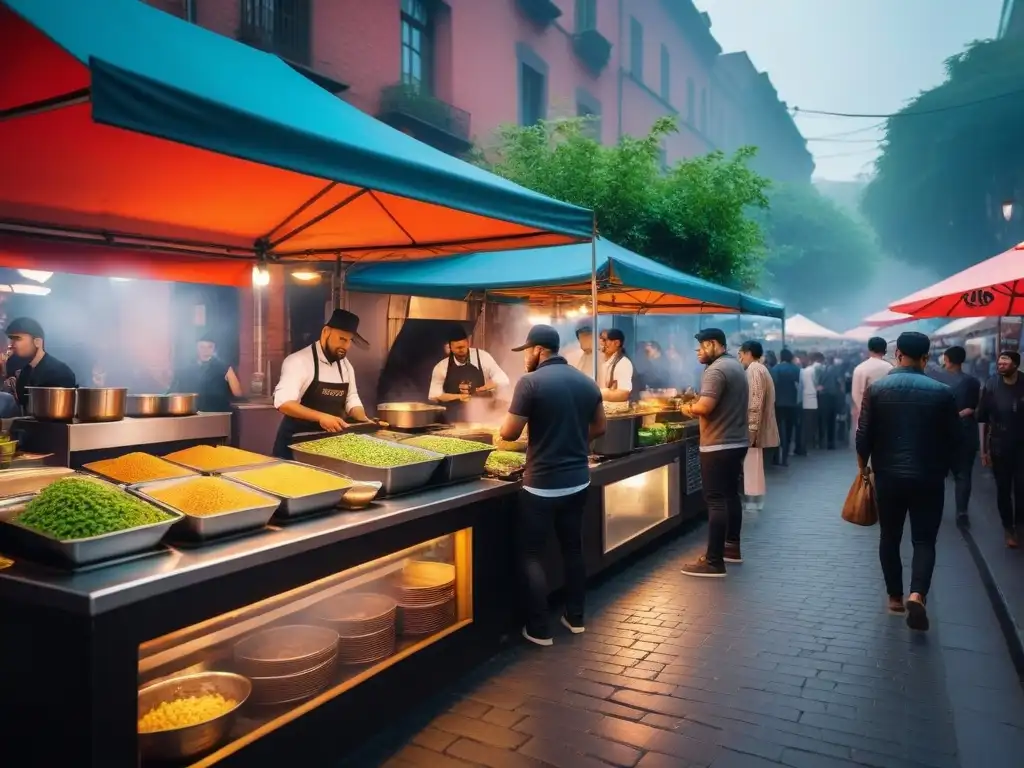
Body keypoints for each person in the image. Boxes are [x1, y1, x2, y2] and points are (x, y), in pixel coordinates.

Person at [499, 324, 605, 646]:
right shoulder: (587, 382)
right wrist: (573, 440)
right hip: (577, 483)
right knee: (573, 549)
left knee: (531, 554)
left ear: (537, 350)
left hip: (542, 486)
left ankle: (539, 628)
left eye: (526, 352)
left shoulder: (530, 383)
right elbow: (600, 426)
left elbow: (508, 433)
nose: (525, 358)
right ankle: (575, 618)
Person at [856, 332, 958, 631]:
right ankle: (918, 593)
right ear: (926, 358)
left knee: (889, 535)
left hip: (888, 476)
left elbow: (863, 436)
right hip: (928, 477)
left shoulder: (877, 389)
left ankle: (895, 598)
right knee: (924, 540)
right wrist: (945, 469)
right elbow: (955, 439)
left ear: (897, 353)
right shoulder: (943, 391)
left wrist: (864, 468)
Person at [679, 328, 749, 577]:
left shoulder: (716, 370)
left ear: (712, 344)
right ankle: (731, 548)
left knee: (716, 499)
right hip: (737, 441)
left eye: (700, 347)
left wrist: (687, 407)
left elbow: (705, 407)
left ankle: (713, 561)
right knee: (730, 496)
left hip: (718, 444)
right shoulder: (735, 365)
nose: (698, 352)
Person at [271, 309, 376, 458]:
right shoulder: (299, 361)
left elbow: (351, 397)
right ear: (326, 332)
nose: (345, 346)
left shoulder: (345, 366)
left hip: (328, 447)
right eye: (341, 339)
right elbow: (284, 403)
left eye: (349, 341)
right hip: (295, 446)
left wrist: (362, 418)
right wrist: (321, 417)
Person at [978, 350, 1024, 548]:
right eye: (999, 363)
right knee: (1003, 490)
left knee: (1022, 489)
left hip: (1022, 446)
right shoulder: (991, 385)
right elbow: (982, 419)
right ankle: (1008, 527)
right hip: (999, 445)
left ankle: (1020, 526)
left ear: (1015, 364)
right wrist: (983, 450)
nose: (1001, 365)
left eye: (1005, 362)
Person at [937, 346, 981, 528]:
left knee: (937, 475)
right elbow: (977, 408)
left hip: (940, 435)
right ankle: (961, 511)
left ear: (946, 358)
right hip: (965, 434)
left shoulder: (934, 378)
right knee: (963, 476)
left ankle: (934, 510)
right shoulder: (973, 382)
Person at [427, 326, 509, 422]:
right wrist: (459, 397)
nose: (461, 351)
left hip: (481, 418)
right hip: (451, 420)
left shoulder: (483, 357)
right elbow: (435, 395)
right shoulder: (441, 367)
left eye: (464, 347)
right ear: (450, 348)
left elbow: (504, 380)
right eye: (457, 348)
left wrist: (487, 387)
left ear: (468, 343)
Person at [4, 317, 76, 414]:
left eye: (17, 339)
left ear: (37, 342)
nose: (11, 345)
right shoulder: (25, 372)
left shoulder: (59, 372)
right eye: (10, 340)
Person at [738, 341, 779, 511]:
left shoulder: (754, 370)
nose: (739, 358)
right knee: (754, 464)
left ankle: (752, 501)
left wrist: (752, 429)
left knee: (751, 464)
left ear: (748, 353)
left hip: (754, 428)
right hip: (759, 426)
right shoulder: (761, 369)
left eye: (740, 354)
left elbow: (755, 401)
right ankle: (754, 500)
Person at [170, 336, 243, 413]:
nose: (205, 351)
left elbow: (238, 393)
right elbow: (175, 392)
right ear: (196, 348)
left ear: (214, 349)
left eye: (210, 347)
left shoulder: (225, 368)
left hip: (218, 415)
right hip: (192, 414)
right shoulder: (186, 369)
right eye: (202, 347)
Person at [851, 337, 893, 428]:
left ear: (869, 349)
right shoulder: (890, 368)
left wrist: (862, 410)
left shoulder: (860, 368)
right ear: (885, 350)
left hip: (865, 413)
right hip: (886, 413)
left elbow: (855, 393)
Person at [771, 348, 801, 466]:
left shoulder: (775, 369)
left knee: (776, 431)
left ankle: (775, 457)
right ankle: (785, 458)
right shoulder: (796, 369)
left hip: (777, 403)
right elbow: (799, 386)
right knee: (788, 430)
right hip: (792, 404)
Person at [597, 328, 633, 402]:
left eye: (604, 340)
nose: (601, 343)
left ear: (616, 343)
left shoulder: (623, 363)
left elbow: (623, 394)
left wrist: (595, 393)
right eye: (600, 339)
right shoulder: (601, 360)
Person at [818, 354, 845, 450]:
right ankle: (830, 442)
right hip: (833, 397)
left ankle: (821, 441)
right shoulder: (836, 370)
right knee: (831, 421)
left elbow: (819, 383)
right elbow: (840, 382)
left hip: (823, 397)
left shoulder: (823, 370)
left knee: (822, 420)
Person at [798, 353, 822, 454]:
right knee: (810, 424)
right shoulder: (813, 370)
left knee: (804, 424)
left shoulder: (803, 371)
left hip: (804, 399)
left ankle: (803, 445)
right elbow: (816, 383)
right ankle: (808, 444)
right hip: (812, 399)